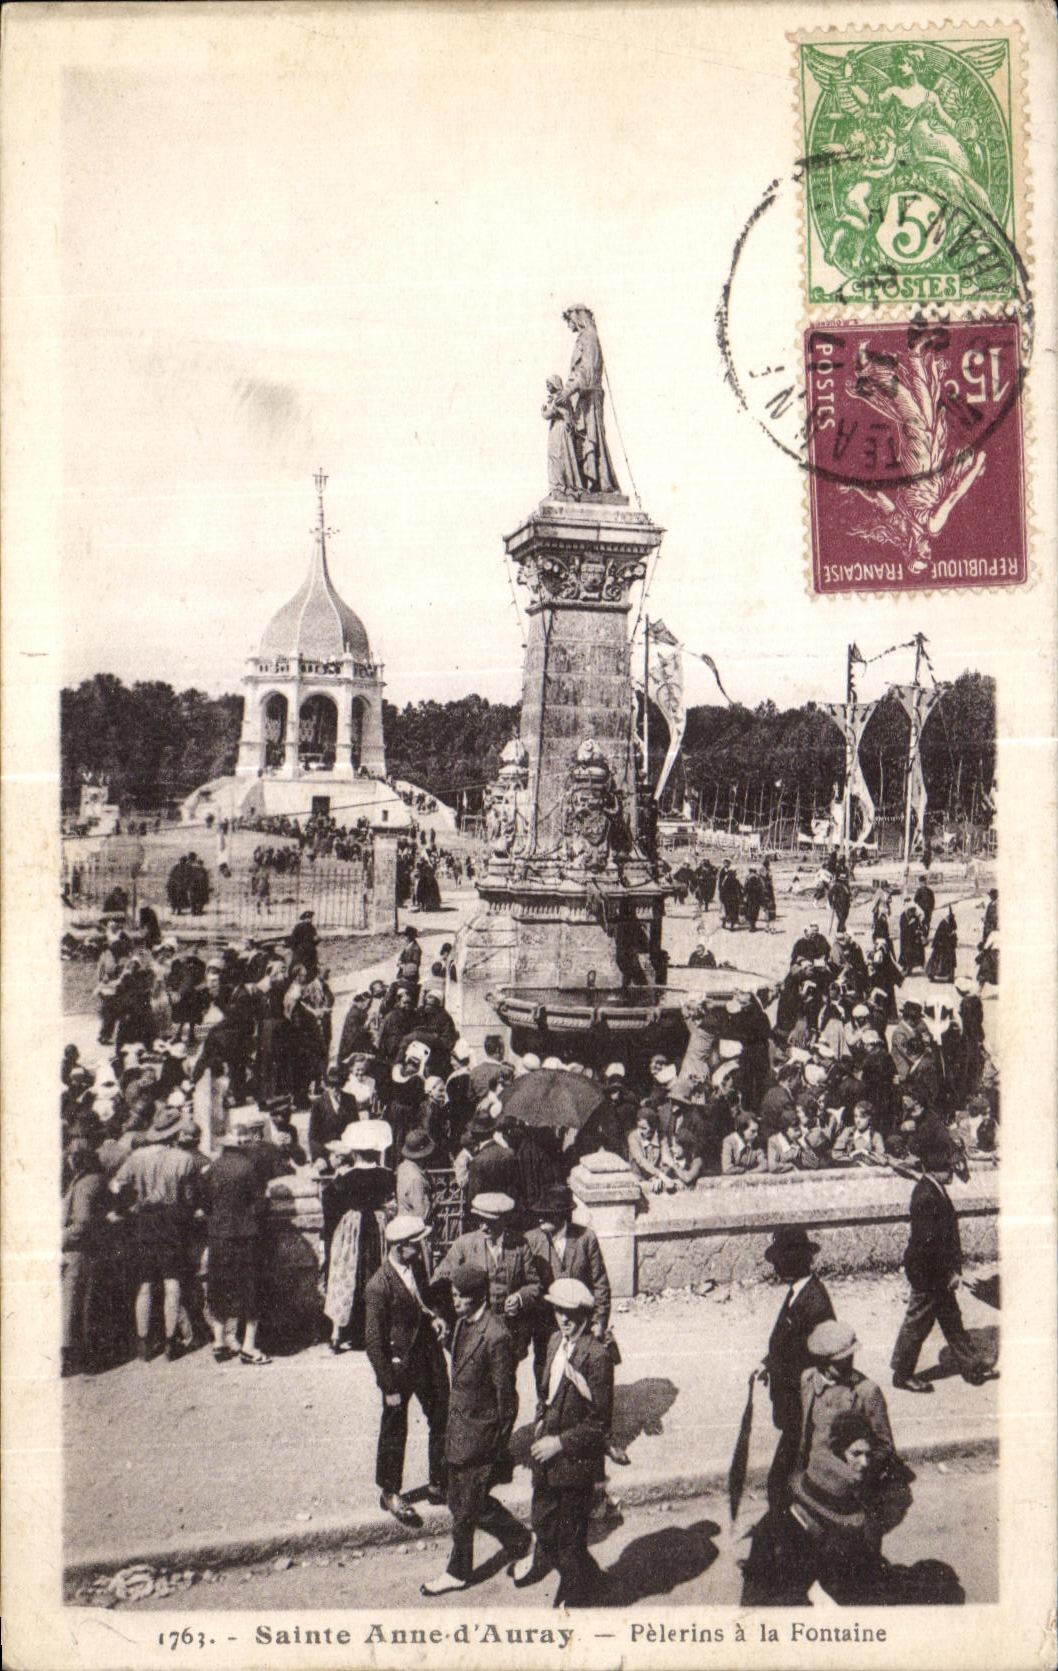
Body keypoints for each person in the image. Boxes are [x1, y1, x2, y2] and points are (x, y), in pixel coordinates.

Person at [420, 1265, 528, 1595]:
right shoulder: (463, 1325)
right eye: (453, 1295)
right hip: (459, 1429)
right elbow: (467, 1363)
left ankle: (458, 1571)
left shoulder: (497, 1336)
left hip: (480, 1437)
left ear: (477, 1297)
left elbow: (506, 1398)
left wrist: (497, 1445)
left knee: (465, 1507)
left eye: (460, 1296)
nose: (454, 1301)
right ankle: (521, 1539)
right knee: (465, 1502)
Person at [511, 1278, 614, 1607]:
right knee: (543, 1525)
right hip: (545, 1457)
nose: (563, 1319)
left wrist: (561, 1443)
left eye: (570, 1313)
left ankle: (574, 1597)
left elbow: (599, 1424)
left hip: (573, 1463)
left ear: (584, 1314)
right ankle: (592, 1579)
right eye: (558, 1310)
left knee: (569, 1539)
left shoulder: (597, 1356)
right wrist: (541, 1424)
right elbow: (546, 1394)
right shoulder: (555, 1342)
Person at [891, 1139, 997, 1392]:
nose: (952, 1172)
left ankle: (972, 1367)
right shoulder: (927, 1195)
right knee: (917, 1323)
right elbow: (930, 1246)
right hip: (929, 1273)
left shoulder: (933, 1188)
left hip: (934, 1271)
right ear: (934, 1169)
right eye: (948, 1168)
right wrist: (949, 1273)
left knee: (951, 1320)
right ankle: (902, 1374)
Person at [364, 1215, 450, 1528]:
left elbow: (421, 1302)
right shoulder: (378, 1286)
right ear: (401, 1248)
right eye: (417, 1243)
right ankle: (390, 1492)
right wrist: (388, 1387)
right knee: (395, 1427)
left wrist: (435, 1317)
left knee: (442, 1415)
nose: (422, 1246)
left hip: (428, 1357)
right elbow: (373, 1343)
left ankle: (439, 1482)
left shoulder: (415, 1267)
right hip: (400, 1366)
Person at [110, 1102, 202, 1362]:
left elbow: (116, 1185)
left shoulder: (136, 1158)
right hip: (171, 1222)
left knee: (145, 1284)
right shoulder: (184, 1159)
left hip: (143, 1221)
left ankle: (143, 1343)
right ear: (175, 1134)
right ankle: (172, 1342)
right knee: (172, 1282)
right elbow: (189, 1196)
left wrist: (127, 1205)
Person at [205, 1108, 290, 1365]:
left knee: (219, 1288)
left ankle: (219, 1341)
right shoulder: (248, 1169)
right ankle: (249, 1347)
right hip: (245, 1235)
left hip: (218, 1234)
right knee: (250, 1290)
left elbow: (203, 1203)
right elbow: (260, 1203)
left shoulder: (212, 1168)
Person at [757, 1227, 834, 1507]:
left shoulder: (814, 1301)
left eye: (782, 1259)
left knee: (782, 1478)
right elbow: (791, 1341)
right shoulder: (799, 1292)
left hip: (801, 1403)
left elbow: (826, 1354)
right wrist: (769, 1363)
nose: (776, 1265)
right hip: (790, 1398)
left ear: (797, 1261)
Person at [433, 1194, 540, 1365]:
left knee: (504, 1383)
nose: (482, 1227)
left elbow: (534, 1284)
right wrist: (447, 1313)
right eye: (480, 1221)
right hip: (474, 1331)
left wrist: (519, 1298)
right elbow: (439, 1280)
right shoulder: (465, 1244)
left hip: (508, 1333)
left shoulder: (520, 1245)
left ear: (503, 1221)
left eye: (488, 1222)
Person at [525, 1184, 611, 1393]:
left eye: (547, 1214)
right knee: (545, 1367)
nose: (540, 1219)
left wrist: (599, 1321)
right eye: (539, 1214)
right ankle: (545, 1409)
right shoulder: (531, 1240)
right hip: (546, 1321)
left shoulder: (585, 1238)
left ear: (562, 1215)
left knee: (581, 1365)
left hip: (580, 1319)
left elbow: (600, 1283)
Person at [321, 1121, 395, 1353]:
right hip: (378, 1226)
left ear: (354, 1152)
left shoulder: (346, 1178)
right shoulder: (386, 1175)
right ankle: (379, 1330)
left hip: (353, 1228)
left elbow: (329, 1200)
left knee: (347, 1274)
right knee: (377, 1272)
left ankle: (339, 1333)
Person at [61, 1142, 109, 1376]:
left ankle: (75, 1357)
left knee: (75, 1302)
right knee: (83, 1303)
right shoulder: (91, 1178)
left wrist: (61, 1238)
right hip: (90, 1248)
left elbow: (83, 1221)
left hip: (80, 1249)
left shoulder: (86, 1183)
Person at [832, 1100, 888, 1165]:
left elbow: (882, 1159)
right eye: (856, 1116)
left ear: (869, 1118)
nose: (858, 1120)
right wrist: (851, 1156)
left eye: (862, 1117)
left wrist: (866, 1153)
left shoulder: (876, 1136)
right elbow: (835, 1154)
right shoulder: (848, 1132)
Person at [926, 905, 958, 982]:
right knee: (937, 960)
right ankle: (932, 974)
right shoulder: (943, 923)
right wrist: (949, 935)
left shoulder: (950, 921)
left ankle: (950, 976)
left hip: (948, 945)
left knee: (949, 961)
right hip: (941, 945)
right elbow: (940, 935)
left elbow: (955, 927)